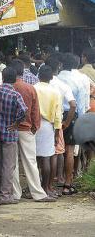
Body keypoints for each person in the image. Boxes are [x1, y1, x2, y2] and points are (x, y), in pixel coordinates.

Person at [10, 60, 54, 202]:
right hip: (26, 128)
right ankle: (38, 193)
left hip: (10, 129)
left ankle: (15, 194)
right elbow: (35, 110)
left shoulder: (7, 87)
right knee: (30, 162)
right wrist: (35, 126)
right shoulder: (29, 88)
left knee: (13, 163)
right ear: (23, 72)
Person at [0, 67, 27, 205]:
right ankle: (5, 195)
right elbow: (23, 110)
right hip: (10, 133)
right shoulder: (15, 94)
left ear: (3, 77)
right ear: (15, 79)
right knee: (8, 166)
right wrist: (17, 123)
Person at [57, 53, 90, 195]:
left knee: (54, 150)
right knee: (70, 151)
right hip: (72, 115)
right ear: (76, 65)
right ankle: (68, 183)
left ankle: (51, 182)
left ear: (61, 64)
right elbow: (81, 103)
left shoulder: (56, 78)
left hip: (56, 115)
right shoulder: (79, 80)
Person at [47, 56, 76, 193]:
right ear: (58, 66)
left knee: (49, 152)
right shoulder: (64, 85)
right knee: (68, 151)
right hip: (64, 117)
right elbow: (73, 105)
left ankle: (48, 184)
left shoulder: (42, 83)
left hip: (48, 118)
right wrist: (67, 122)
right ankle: (67, 183)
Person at [34, 65, 63, 198]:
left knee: (34, 159)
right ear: (51, 77)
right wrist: (57, 132)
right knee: (46, 157)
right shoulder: (55, 92)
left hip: (34, 124)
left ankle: (36, 187)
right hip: (48, 126)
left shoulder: (34, 88)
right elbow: (58, 114)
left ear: (39, 75)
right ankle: (46, 187)